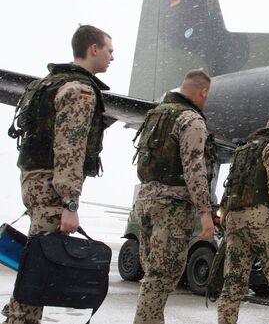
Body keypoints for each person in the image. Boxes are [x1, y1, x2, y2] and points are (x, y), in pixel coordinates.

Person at [2, 25, 114, 324]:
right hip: (53, 183)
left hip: (33, 178)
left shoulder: (47, 83)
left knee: (35, 260)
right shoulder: (80, 90)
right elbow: (70, 149)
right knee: (40, 268)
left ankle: (18, 316)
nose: (112, 57)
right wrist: (70, 204)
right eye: (109, 50)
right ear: (93, 49)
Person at [132, 70, 216, 324]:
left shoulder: (156, 114)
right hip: (171, 207)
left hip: (146, 201)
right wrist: (205, 213)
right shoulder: (191, 119)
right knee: (162, 275)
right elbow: (194, 170)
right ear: (203, 92)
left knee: (152, 273)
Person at [218, 116, 269, 324]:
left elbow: (230, 188)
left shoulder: (242, 151)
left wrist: (226, 218)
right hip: (262, 221)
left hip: (236, 221)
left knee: (233, 284)